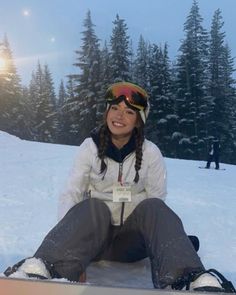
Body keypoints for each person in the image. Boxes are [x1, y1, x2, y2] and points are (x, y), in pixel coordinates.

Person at [4, 82, 234, 292]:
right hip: (93, 240)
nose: (119, 116)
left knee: (154, 206)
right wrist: (70, 246)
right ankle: (47, 268)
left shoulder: (151, 153)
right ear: (106, 112)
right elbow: (71, 194)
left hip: (132, 243)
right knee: (93, 206)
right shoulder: (89, 148)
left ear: (139, 120)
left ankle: (185, 279)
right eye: (115, 109)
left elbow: (157, 207)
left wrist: (165, 244)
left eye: (129, 112)